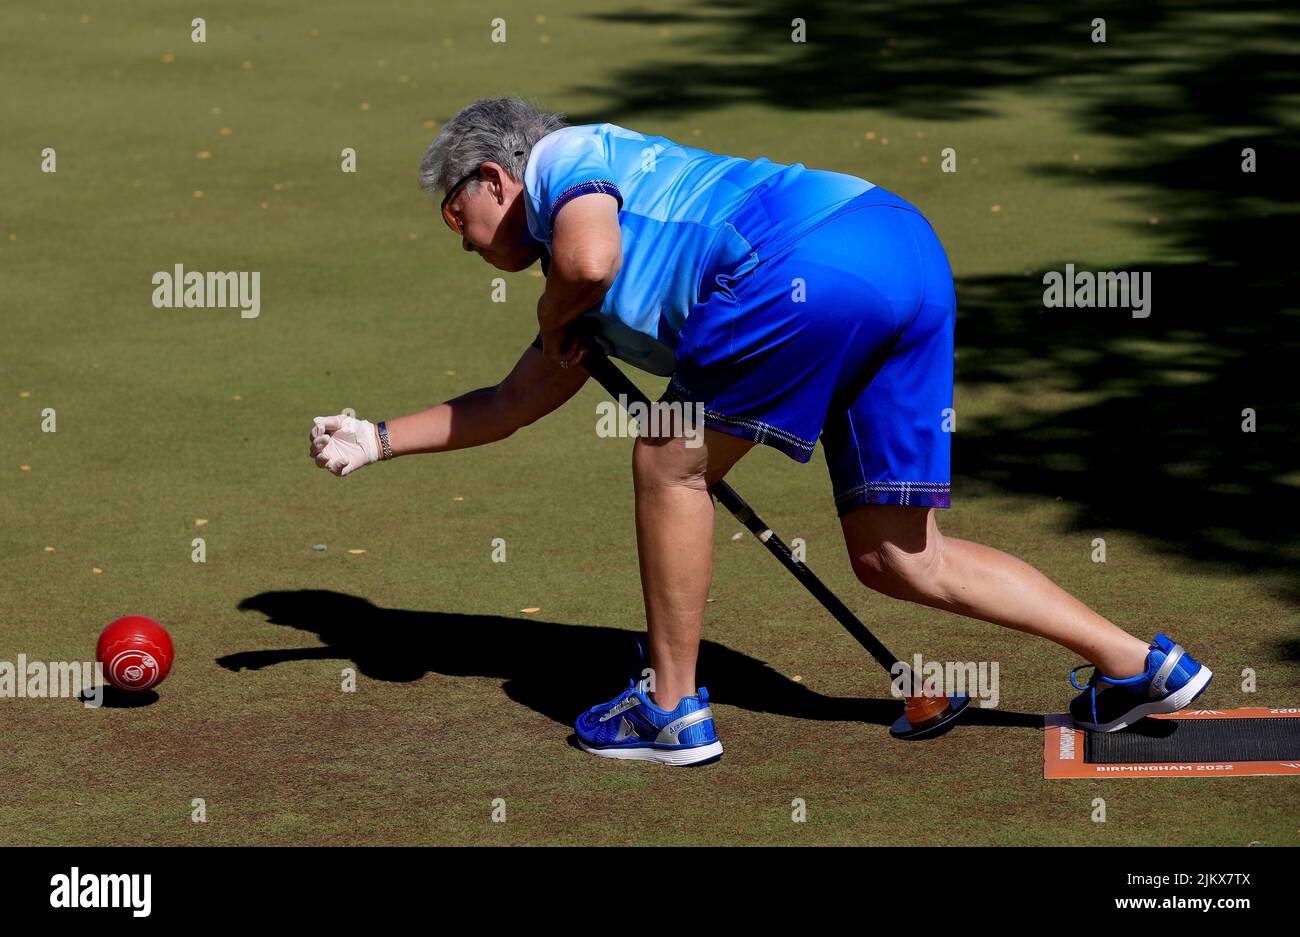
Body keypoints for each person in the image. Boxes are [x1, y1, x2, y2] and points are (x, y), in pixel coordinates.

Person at [308, 97, 1211, 765]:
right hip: (900, 251)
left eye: (455, 216)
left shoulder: (568, 161)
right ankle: (1140, 665)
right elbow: (510, 404)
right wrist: (378, 437)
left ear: (496, 179)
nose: (463, 241)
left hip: (804, 263)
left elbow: (586, 258)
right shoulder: (576, 285)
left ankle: (668, 708)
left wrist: (555, 303)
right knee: (900, 557)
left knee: (668, 458)